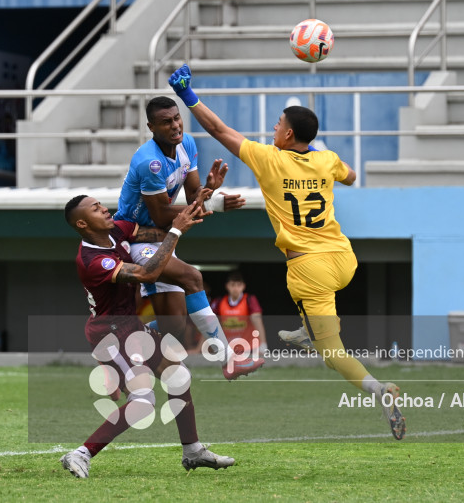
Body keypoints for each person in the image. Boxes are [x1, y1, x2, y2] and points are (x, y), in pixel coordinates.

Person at [168, 65, 406, 440]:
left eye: (278, 124)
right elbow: (352, 177)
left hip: (309, 268)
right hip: (344, 258)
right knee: (309, 304)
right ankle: (308, 330)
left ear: (289, 133)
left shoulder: (270, 159)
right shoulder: (326, 160)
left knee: (332, 354)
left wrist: (187, 95)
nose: (274, 129)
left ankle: (380, 391)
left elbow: (218, 130)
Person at [59, 195, 235, 478]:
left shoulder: (118, 229)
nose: (104, 208)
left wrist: (206, 203)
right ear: (82, 223)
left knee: (179, 376)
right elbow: (147, 273)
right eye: (95, 208)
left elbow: (161, 234)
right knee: (143, 401)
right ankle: (80, 454)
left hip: (131, 327)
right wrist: (177, 230)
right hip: (110, 336)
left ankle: (193, 450)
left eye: (101, 204)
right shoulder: (93, 260)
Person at [113, 96, 264, 380]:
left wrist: (208, 189)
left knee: (175, 325)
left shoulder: (187, 145)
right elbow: (160, 215)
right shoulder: (150, 163)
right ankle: (228, 359)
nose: (175, 126)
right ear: (151, 127)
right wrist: (214, 205)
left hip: (161, 236)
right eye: (166, 122)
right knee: (193, 278)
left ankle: (124, 344)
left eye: (177, 118)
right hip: (135, 239)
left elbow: (193, 197)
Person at [210, 271, 268, 357]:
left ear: (243, 286)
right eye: (232, 285)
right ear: (227, 286)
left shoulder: (249, 299)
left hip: (249, 349)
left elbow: (257, 320)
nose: (235, 288)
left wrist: (263, 344)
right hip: (228, 350)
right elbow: (210, 323)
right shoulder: (219, 302)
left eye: (239, 285)